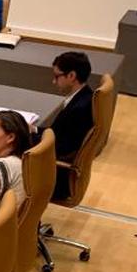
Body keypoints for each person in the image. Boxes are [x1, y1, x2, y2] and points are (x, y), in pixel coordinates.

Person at [48, 51, 95, 200]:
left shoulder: (79, 110)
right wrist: (34, 130)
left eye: (57, 76)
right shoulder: (86, 96)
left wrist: (25, 136)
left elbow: (57, 146)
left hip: (57, 176)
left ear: (71, 76)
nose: (54, 82)